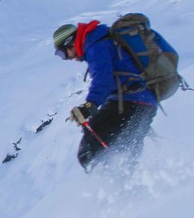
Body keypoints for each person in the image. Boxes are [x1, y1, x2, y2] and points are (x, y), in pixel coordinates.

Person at [52, 19, 176, 171]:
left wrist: (90, 106)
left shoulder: (96, 46)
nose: (68, 58)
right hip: (146, 103)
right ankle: (132, 190)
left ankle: (106, 188)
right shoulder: (104, 41)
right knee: (127, 157)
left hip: (129, 102)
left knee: (88, 152)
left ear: (70, 42)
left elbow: (103, 79)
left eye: (63, 53)